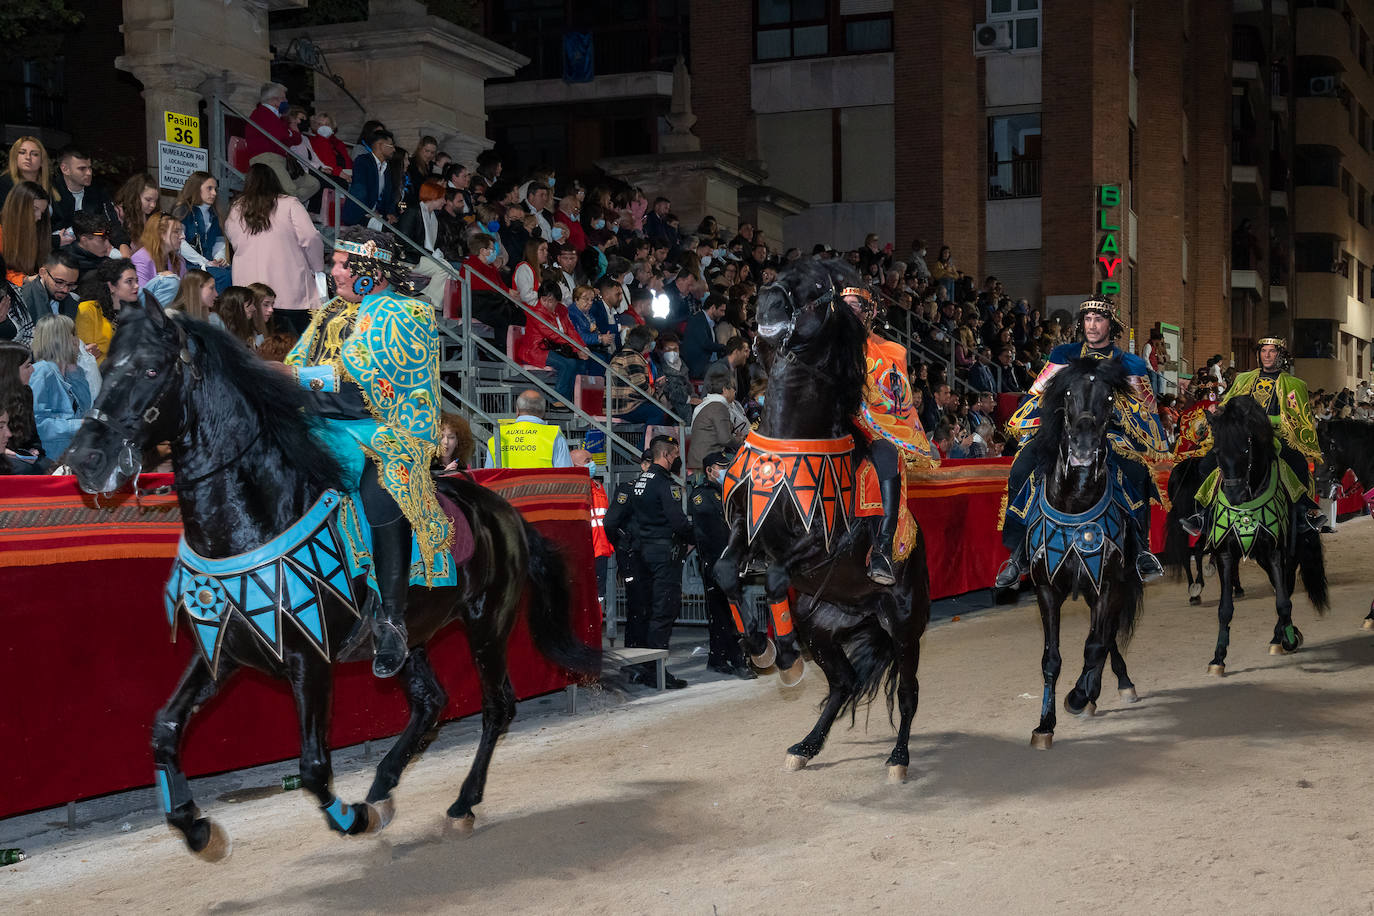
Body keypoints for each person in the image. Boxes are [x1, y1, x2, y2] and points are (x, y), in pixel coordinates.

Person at [283, 227, 448, 678]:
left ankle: (393, 618)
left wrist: (289, 378)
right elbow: (298, 367)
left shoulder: (406, 312)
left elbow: (361, 386)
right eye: (334, 263)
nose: (332, 271)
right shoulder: (330, 312)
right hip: (321, 422)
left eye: (340, 264)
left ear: (369, 271)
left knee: (382, 483)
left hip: (387, 428)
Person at [999, 297, 1169, 587]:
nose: (1092, 325)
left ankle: (1141, 549)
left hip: (1109, 432)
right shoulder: (1063, 354)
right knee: (1021, 467)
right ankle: (1020, 554)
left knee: (1137, 471)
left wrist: (1117, 417)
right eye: (1088, 319)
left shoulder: (1128, 362)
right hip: (1063, 431)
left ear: (1110, 325)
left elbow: (1145, 408)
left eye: (1099, 320)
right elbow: (1036, 394)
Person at [840, 286, 940, 584]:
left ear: (870, 312)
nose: (848, 310)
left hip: (867, 427)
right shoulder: (828, 344)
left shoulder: (892, 351)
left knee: (886, 455)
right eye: (844, 305)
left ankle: (882, 547)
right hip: (830, 421)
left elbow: (897, 401)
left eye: (855, 305)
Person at [1182, 337, 1326, 533]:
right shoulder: (1244, 379)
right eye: (1263, 351)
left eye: (1272, 351)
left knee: (1298, 463)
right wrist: (1218, 411)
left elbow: (1297, 419)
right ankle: (1203, 514)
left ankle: (1302, 515)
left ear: (1280, 355)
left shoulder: (1294, 384)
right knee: (1208, 463)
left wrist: (1263, 421)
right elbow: (1229, 404)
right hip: (1242, 437)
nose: (1267, 355)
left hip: (1273, 438)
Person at [604, 434, 693, 688]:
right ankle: (655, 672)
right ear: (665, 455)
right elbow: (677, 521)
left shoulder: (641, 481)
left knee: (645, 610)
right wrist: (696, 536)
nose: (676, 459)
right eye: (675, 455)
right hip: (663, 556)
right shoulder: (663, 483)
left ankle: (643, 668)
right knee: (662, 611)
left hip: (643, 554)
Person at [224, 164, 324, 332]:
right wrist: (318, 267)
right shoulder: (290, 204)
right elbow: (310, 237)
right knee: (290, 351)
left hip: (249, 295)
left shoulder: (236, 209)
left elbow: (233, 239)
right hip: (291, 294)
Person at [690, 448, 754, 679]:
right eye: (721, 466)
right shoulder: (702, 495)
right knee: (727, 612)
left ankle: (717, 658)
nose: (725, 470)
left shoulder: (729, 492)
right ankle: (738, 661)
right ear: (709, 470)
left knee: (722, 612)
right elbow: (715, 532)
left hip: (730, 562)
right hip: (716, 563)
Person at [28, 314, 92, 460]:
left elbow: (86, 405)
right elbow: (38, 425)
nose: (77, 340)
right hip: (50, 456)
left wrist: (74, 369)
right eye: (73, 334)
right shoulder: (41, 371)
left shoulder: (71, 371)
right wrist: (79, 425)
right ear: (61, 339)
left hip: (72, 453)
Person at [245, 82, 319, 203]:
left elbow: (295, 139)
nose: (286, 101)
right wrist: (289, 133)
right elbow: (281, 135)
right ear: (275, 100)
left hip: (282, 160)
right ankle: (288, 209)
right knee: (290, 190)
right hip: (266, 159)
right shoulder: (261, 113)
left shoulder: (279, 117)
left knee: (313, 184)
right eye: (284, 98)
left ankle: (285, 205)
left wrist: (290, 132)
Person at [517, 282, 589, 399]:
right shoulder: (536, 313)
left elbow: (570, 330)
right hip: (537, 350)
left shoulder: (562, 310)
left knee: (580, 364)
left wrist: (582, 347)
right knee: (568, 364)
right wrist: (576, 349)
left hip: (557, 348)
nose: (546, 304)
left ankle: (571, 399)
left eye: (550, 301)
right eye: (543, 299)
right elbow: (552, 335)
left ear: (558, 301)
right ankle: (558, 400)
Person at [483, 388, 573, 468]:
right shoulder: (554, 435)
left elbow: (489, 476)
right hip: (543, 487)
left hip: (505, 486)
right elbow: (566, 475)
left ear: (517, 410)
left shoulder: (498, 436)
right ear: (543, 412)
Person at [172, 172, 230, 290]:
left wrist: (219, 259)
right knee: (224, 277)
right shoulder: (183, 211)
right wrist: (204, 262)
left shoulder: (214, 214)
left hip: (209, 264)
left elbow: (219, 242)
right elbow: (180, 243)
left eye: (215, 189)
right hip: (189, 265)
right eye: (209, 188)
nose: (214, 193)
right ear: (196, 188)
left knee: (235, 272)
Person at [76, 257, 138, 363]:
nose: (136, 286)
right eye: (129, 281)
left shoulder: (135, 314)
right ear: (111, 286)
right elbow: (86, 355)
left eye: (136, 281)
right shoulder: (88, 310)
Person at [0, 340, 48, 470]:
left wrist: (34, 450)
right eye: (27, 366)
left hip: (21, 455)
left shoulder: (25, 393)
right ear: (11, 371)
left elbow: (33, 436)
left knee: (48, 466)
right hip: (4, 455)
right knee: (23, 469)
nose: (33, 370)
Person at [687, 361, 744, 471]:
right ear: (724, 390)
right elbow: (725, 440)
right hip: (706, 461)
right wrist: (739, 440)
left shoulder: (707, 404)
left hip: (700, 458)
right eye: (733, 389)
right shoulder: (719, 407)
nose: (735, 392)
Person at [47, 147, 110, 242]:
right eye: (82, 169)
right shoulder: (48, 193)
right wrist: (55, 241)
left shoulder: (98, 191)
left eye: (90, 167)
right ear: (65, 169)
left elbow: (112, 225)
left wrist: (122, 245)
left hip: (95, 248)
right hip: (59, 251)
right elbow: (35, 234)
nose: (89, 173)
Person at [608, 325, 666, 425]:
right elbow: (642, 390)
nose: (652, 344)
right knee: (656, 412)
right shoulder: (632, 358)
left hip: (622, 405)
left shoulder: (625, 354)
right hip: (623, 407)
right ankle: (647, 441)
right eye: (650, 341)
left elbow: (640, 385)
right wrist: (657, 390)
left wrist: (655, 387)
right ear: (644, 344)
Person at [0, 180, 52, 285]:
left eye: (41, 212)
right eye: (34, 210)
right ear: (18, 207)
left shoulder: (36, 231)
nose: (39, 217)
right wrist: (24, 280)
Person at [342, 130, 397, 227]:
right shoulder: (363, 161)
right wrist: (369, 212)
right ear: (380, 145)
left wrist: (390, 213)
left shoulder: (386, 167)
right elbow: (359, 189)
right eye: (391, 145)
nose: (394, 150)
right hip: (360, 215)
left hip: (377, 215)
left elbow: (389, 195)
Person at [20, 250, 81, 333]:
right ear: (43, 273)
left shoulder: (72, 301)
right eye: (59, 282)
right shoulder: (23, 298)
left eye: (71, 285)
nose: (65, 290)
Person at [61, 210, 114, 289]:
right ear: (84, 240)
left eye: (107, 238)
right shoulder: (64, 260)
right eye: (102, 239)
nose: (108, 244)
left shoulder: (107, 261)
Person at [110, 174, 160, 258]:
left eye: (155, 201)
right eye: (148, 200)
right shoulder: (118, 213)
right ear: (134, 196)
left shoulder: (151, 215)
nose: (153, 205)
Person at [131, 213, 186, 286]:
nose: (182, 236)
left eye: (181, 232)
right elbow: (142, 295)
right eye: (176, 231)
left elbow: (186, 291)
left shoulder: (178, 260)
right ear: (161, 234)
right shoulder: (140, 259)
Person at [0, 137, 57, 207]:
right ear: (14, 157)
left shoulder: (52, 186)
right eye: (22, 152)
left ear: (42, 160)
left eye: (34, 154)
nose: (28, 157)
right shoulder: (3, 184)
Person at [682, 297, 727, 378]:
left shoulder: (709, 322)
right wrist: (724, 347)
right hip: (699, 366)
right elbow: (705, 343)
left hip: (709, 363)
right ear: (713, 308)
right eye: (721, 310)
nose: (723, 314)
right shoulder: (698, 319)